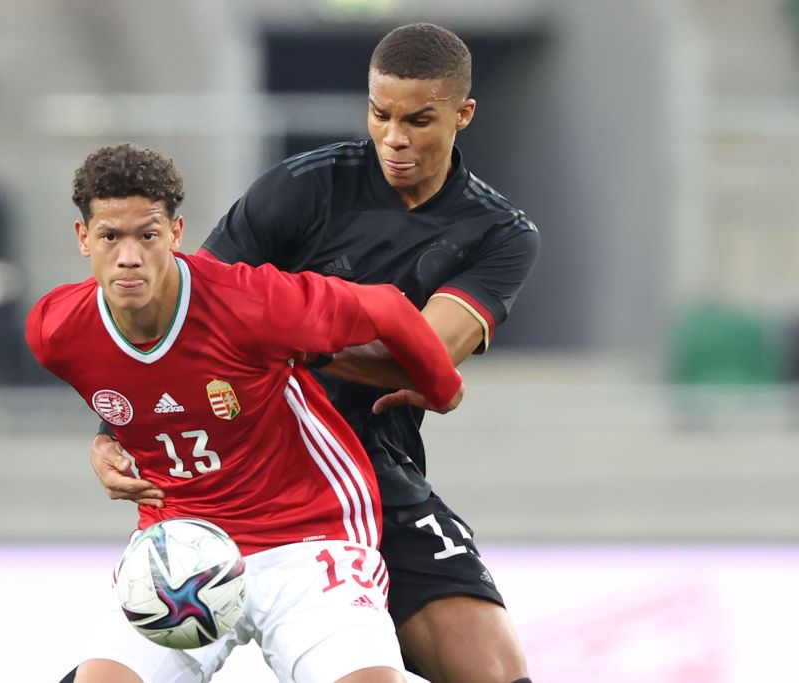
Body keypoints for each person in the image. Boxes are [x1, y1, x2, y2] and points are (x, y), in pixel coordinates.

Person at [83, 23, 539, 683]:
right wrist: (111, 431)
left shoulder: (499, 233)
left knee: (495, 670)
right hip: (236, 467)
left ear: (463, 114)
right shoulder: (302, 188)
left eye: (418, 120)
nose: (394, 137)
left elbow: (424, 358)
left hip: (369, 469)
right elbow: (182, 312)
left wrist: (275, 336)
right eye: (380, 114)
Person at [30, 143, 465, 683]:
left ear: (176, 233)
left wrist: (442, 388)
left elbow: (385, 306)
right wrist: (106, 441)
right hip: (180, 546)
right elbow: (141, 394)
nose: (129, 257)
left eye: (147, 235)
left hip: (306, 536)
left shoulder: (249, 301)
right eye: (110, 237)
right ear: (83, 238)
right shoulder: (55, 331)